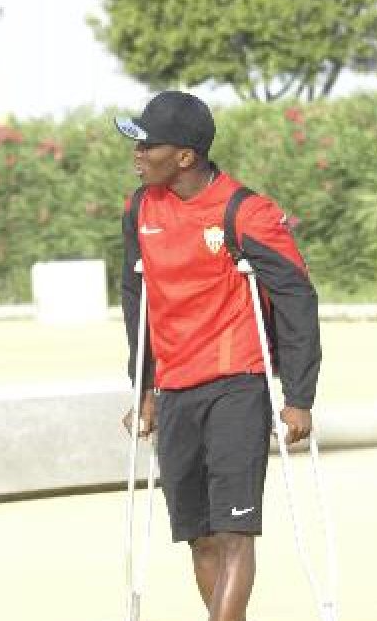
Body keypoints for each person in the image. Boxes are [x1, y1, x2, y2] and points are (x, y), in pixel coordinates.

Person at [115, 91, 321, 621]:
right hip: (177, 388)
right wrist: (144, 388)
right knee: (199, 537)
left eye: (147, 144)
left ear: (184, 156)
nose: (136, 152)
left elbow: (297, 296)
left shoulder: (245, 211)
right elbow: (136, 299)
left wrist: (298, 396)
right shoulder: (141, 208)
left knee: (233, 532)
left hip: (236, 384)